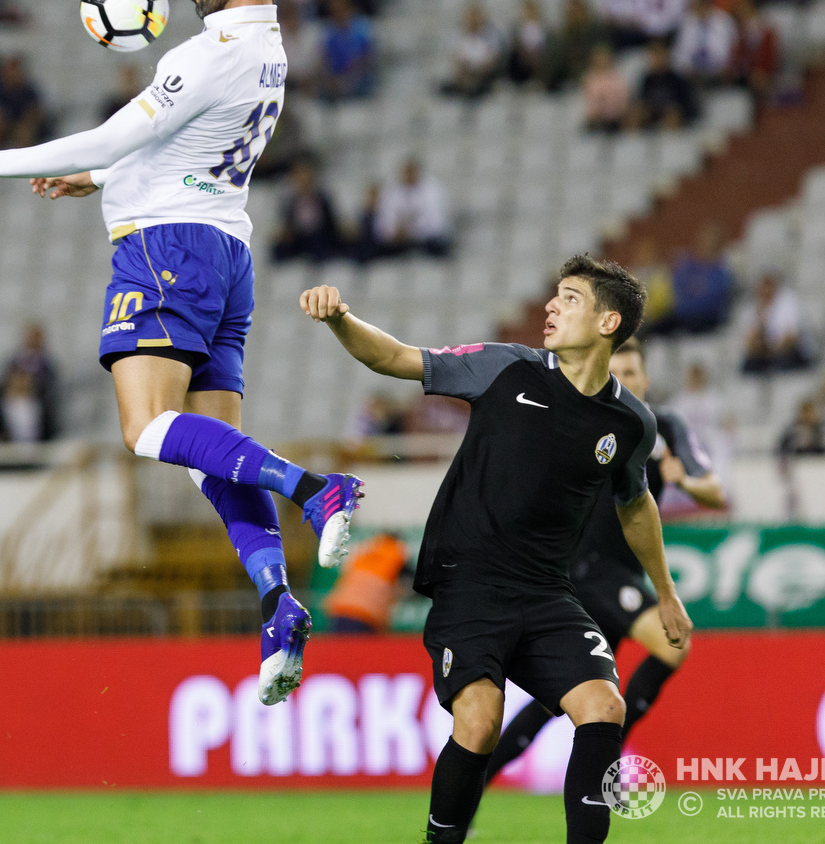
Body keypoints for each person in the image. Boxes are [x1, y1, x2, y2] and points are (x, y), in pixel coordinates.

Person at [0, 0, 364, 706]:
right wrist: (100, 181)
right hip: (225, 255)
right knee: (210, 452)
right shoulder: (270, 53)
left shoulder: (212, 52)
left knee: (146, 429)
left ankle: (313, 488)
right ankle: (276, 603)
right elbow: (181, 153)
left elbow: (119, 136)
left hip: (166, 253)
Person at [300, 257, 690, 844]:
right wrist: (341, 319)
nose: (552, 307)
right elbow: (398, 358)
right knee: (480, 725)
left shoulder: (632, 422)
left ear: (608, 322)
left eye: (570, 298)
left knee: (605, 708)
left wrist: (666, 593)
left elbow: (635, 504)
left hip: (548, 595)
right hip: (470, 585)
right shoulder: (505, 369)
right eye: (554, 295)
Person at [483, 338, 722, 783]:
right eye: (618, 375)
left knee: (553, 701)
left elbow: (715, 491)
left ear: (646, 380)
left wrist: (684, 481)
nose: (626, 382)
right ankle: (607, 768)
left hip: (624, 574)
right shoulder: (586, 420)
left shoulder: (663, 426)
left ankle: (472, 788)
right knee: (674, 644)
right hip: (587, 570)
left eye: (633, 374)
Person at [323, 532, 409, 634]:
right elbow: (407, 583)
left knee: (340, 647)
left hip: (341, 608)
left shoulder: (367, 552)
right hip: (366, 614)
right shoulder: (396, 556)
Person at [272, 158, 341, 263]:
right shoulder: (290, 201)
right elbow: (287, 223)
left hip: (319, 236)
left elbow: (331, 222)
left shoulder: (322, 198)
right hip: (298, 238)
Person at [741, 273, 812, 373]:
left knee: (782, 362)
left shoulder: (788, 301)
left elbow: (792, 339)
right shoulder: (755, 307)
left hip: (794, 351)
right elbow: (750, 342)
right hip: (770, 353)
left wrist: (772, 349)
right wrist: (761, 319)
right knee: (748, 365)